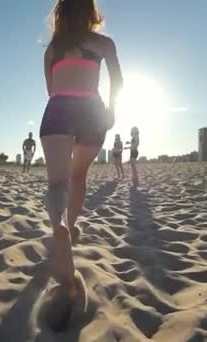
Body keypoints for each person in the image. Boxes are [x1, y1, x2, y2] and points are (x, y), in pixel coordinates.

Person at [40, 0, 122, 295]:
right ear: (91, 11)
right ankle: (71, 227)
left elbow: (52, 90)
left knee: (57, 185)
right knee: (78, 178)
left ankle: (60, 229)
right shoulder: (103, 44)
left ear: (60, 13)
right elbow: (118, 80)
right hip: (91, 110)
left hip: (59, 108)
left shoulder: (52, 49)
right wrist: (111, 111)